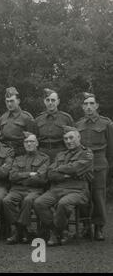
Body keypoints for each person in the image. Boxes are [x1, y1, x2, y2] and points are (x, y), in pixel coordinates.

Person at [34, 126, 93, 246]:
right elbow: (50, 174)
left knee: (63, 203)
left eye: (71, 138)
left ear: (78, 137)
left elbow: (76, 168)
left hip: (77, 190)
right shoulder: (60, 154)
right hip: (57, 189)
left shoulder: (86, 153)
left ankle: (55, 233)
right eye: (66, 139)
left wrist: (59, 169)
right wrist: (65, 175)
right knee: (39, 202)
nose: (69, 141)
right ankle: (60, 230)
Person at [75, 92, 113, 240]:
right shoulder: (78, 124)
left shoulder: (106, 123)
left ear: (97, 105)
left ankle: (99, 227)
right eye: (86, 104)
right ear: (82, 107)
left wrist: (108, 166)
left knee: (98, 196)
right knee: (83, 195)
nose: (89, 107)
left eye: (92, 104)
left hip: (99, 163)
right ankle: (86, 226)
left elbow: (111, 148)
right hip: (83, 164)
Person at [3, 132, 49, 244]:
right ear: (23, 144)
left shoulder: (44, 158)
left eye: (32, 141)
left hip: (35, 190)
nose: (29, 144)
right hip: (17, 189)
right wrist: (30, 174)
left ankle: (18, 232)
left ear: (37, 143)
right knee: (6, 200)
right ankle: (23, 229)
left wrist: (22, 176)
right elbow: (12, 176)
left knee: (28, 200)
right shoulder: (18, 158)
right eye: (26, 142)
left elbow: (41, 178)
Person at [35, 88, 74, 161]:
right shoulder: (38, 119)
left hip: (61, 154)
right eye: (47, 100)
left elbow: (73, 139)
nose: (50, 103)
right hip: (42, 154)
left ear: (58, 101)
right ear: (44, 101)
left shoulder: (66, 118)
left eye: (53, 100)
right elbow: (35, 139)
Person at [0, 87, 35, 156]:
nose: (9, 104)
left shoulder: (26, 117)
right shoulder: (2, 118)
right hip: (5, 152)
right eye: (7, 101)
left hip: (21, 152)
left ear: (18, 101)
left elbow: (33, 138)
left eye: (12, 101)